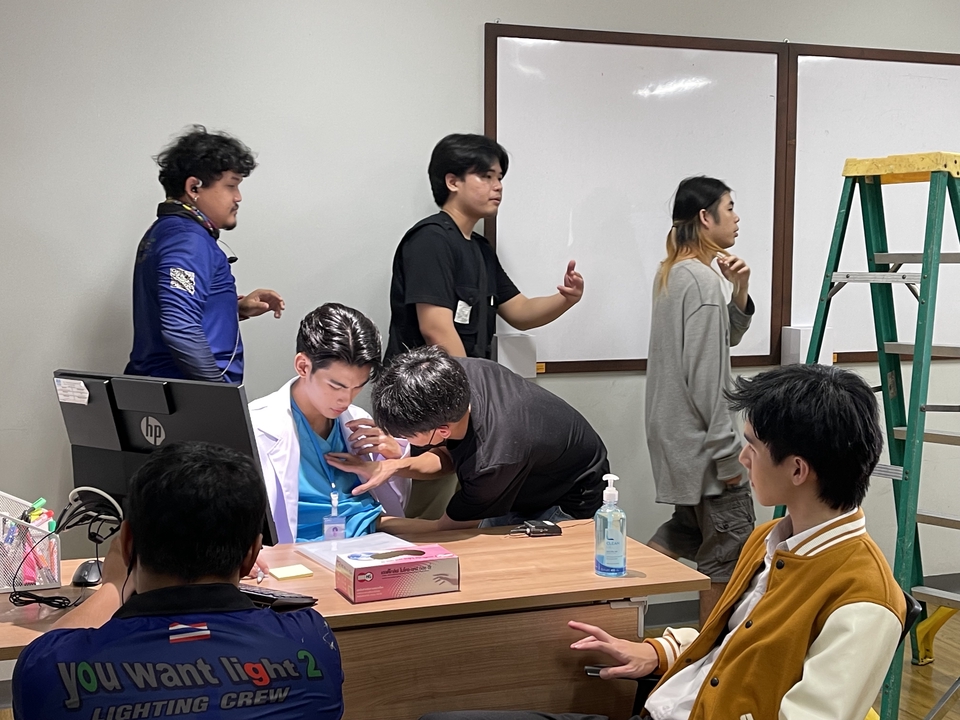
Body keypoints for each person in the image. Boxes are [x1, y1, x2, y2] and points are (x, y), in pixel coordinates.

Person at [418, 363, 907, 720]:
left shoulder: (863, 600)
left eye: (752, 447)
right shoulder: (772, 539)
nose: (743, 458)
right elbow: (734, 640)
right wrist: (657, 652)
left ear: (798, 470)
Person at [12, 442, 343, 720]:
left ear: (126, 544)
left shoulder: (49, 668)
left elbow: (48, 650)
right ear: (252, 554)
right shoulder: (312, 642)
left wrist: (113, 586)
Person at [385, 133, 586, 520]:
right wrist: (470, 399)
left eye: (500, 178)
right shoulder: (430, 240)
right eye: (486, 176)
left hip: (462, 408)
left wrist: (565, 299)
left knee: (464, 519)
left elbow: (520, 310)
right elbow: (436, 328)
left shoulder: (479, 249)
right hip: (429, 407)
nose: (498, 186)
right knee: (426, 516)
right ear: (452, 181)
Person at [326, 346, 608, 531]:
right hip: (524, 471)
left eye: (405, 436)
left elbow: (444, 528)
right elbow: (452, 455)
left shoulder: (492, 460)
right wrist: (395, 466)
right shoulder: (449, 376)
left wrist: (368, 521)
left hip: (568, 497)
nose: (399, 439)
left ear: (442, 431)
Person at [645, 175, 756, 624]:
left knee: (685, 532)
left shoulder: (673, 273)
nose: (737, 218)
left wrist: (739, 290)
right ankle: (709, 656)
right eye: (729, 208)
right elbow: (708, 379)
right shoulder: (702, 282)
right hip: (706, 446)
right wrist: (730, 458)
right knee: (730, 562)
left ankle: (613, 601)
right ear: (705, 217)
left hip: (680, 442)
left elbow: (721, 341)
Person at [126, 125, 285, 384]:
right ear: (194, 188)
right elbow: (180, 327)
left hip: (167, 391)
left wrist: (233, 309)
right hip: (184, 397)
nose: (238, 197)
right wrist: (219, 395)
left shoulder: (167, 231)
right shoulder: (187, 241)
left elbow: (176, 306)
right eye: (231, 186)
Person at [249, 303, 412, 543]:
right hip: (295, 551)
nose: (346, 399)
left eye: (358, 387)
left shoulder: (359, 422)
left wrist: (395, 457)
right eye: (336, 386)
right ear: (303, 366)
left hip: (367, 543)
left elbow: (394, 504)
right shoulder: (257, 425)